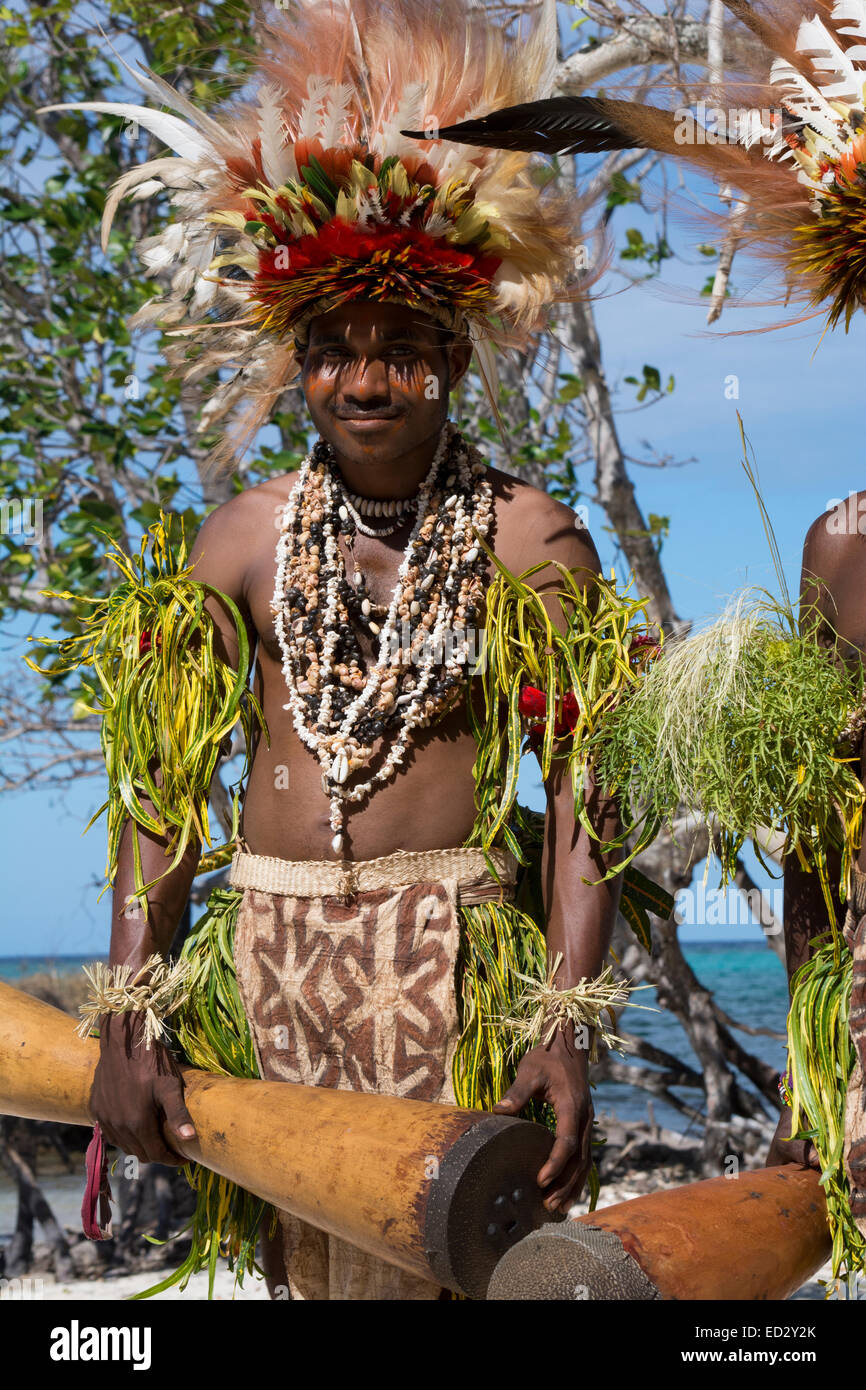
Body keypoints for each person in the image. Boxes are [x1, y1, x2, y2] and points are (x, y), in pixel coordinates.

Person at [54, 0, 654, 1300]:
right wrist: (128, 1014)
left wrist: (566, 1032)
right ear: (299, 360)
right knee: (302, 1282)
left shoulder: (527, 541)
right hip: (272, 970)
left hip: (448, 970)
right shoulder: (241, 541)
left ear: (449, 357)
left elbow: (583, 795)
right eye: (331, 352)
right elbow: (161, 797)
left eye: (398, 352)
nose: (363, 381)